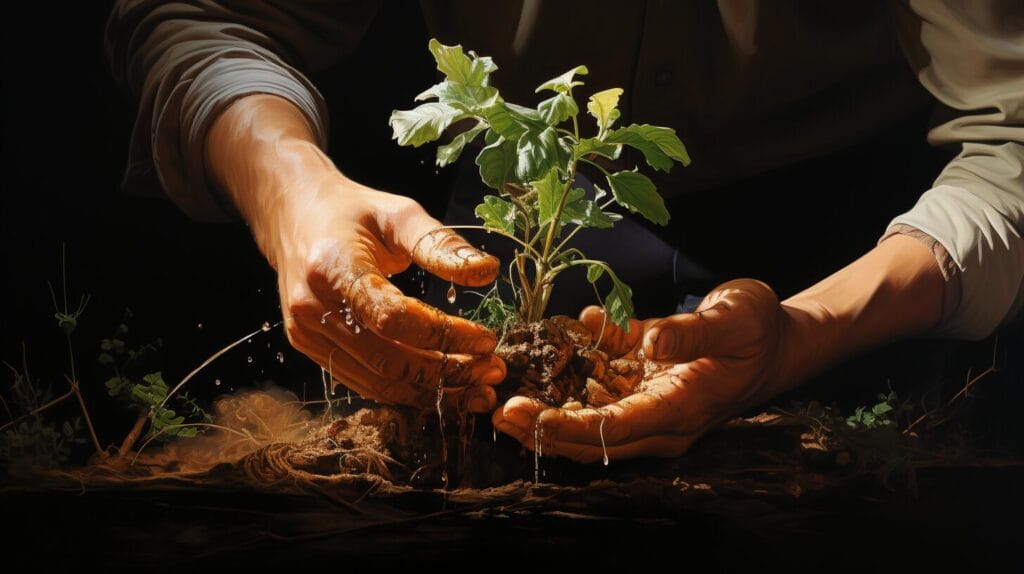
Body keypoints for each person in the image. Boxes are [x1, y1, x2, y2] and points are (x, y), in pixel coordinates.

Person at [107, 1, 1023, 462]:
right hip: (507, 222)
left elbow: (1013, 125)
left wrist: (811, 330)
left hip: (862, 254)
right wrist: (292, 198)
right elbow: (204, 17)